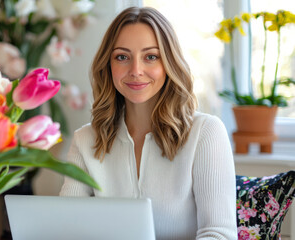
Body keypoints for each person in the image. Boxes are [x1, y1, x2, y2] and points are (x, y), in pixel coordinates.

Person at [59, 6, 237, 239]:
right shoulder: (85, 141)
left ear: (168, 63)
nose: (136, 70)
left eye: (150, 57)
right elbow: (64, 229)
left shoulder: (205, 133)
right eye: (122, 57)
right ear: (108, 65)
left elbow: (220, 234)